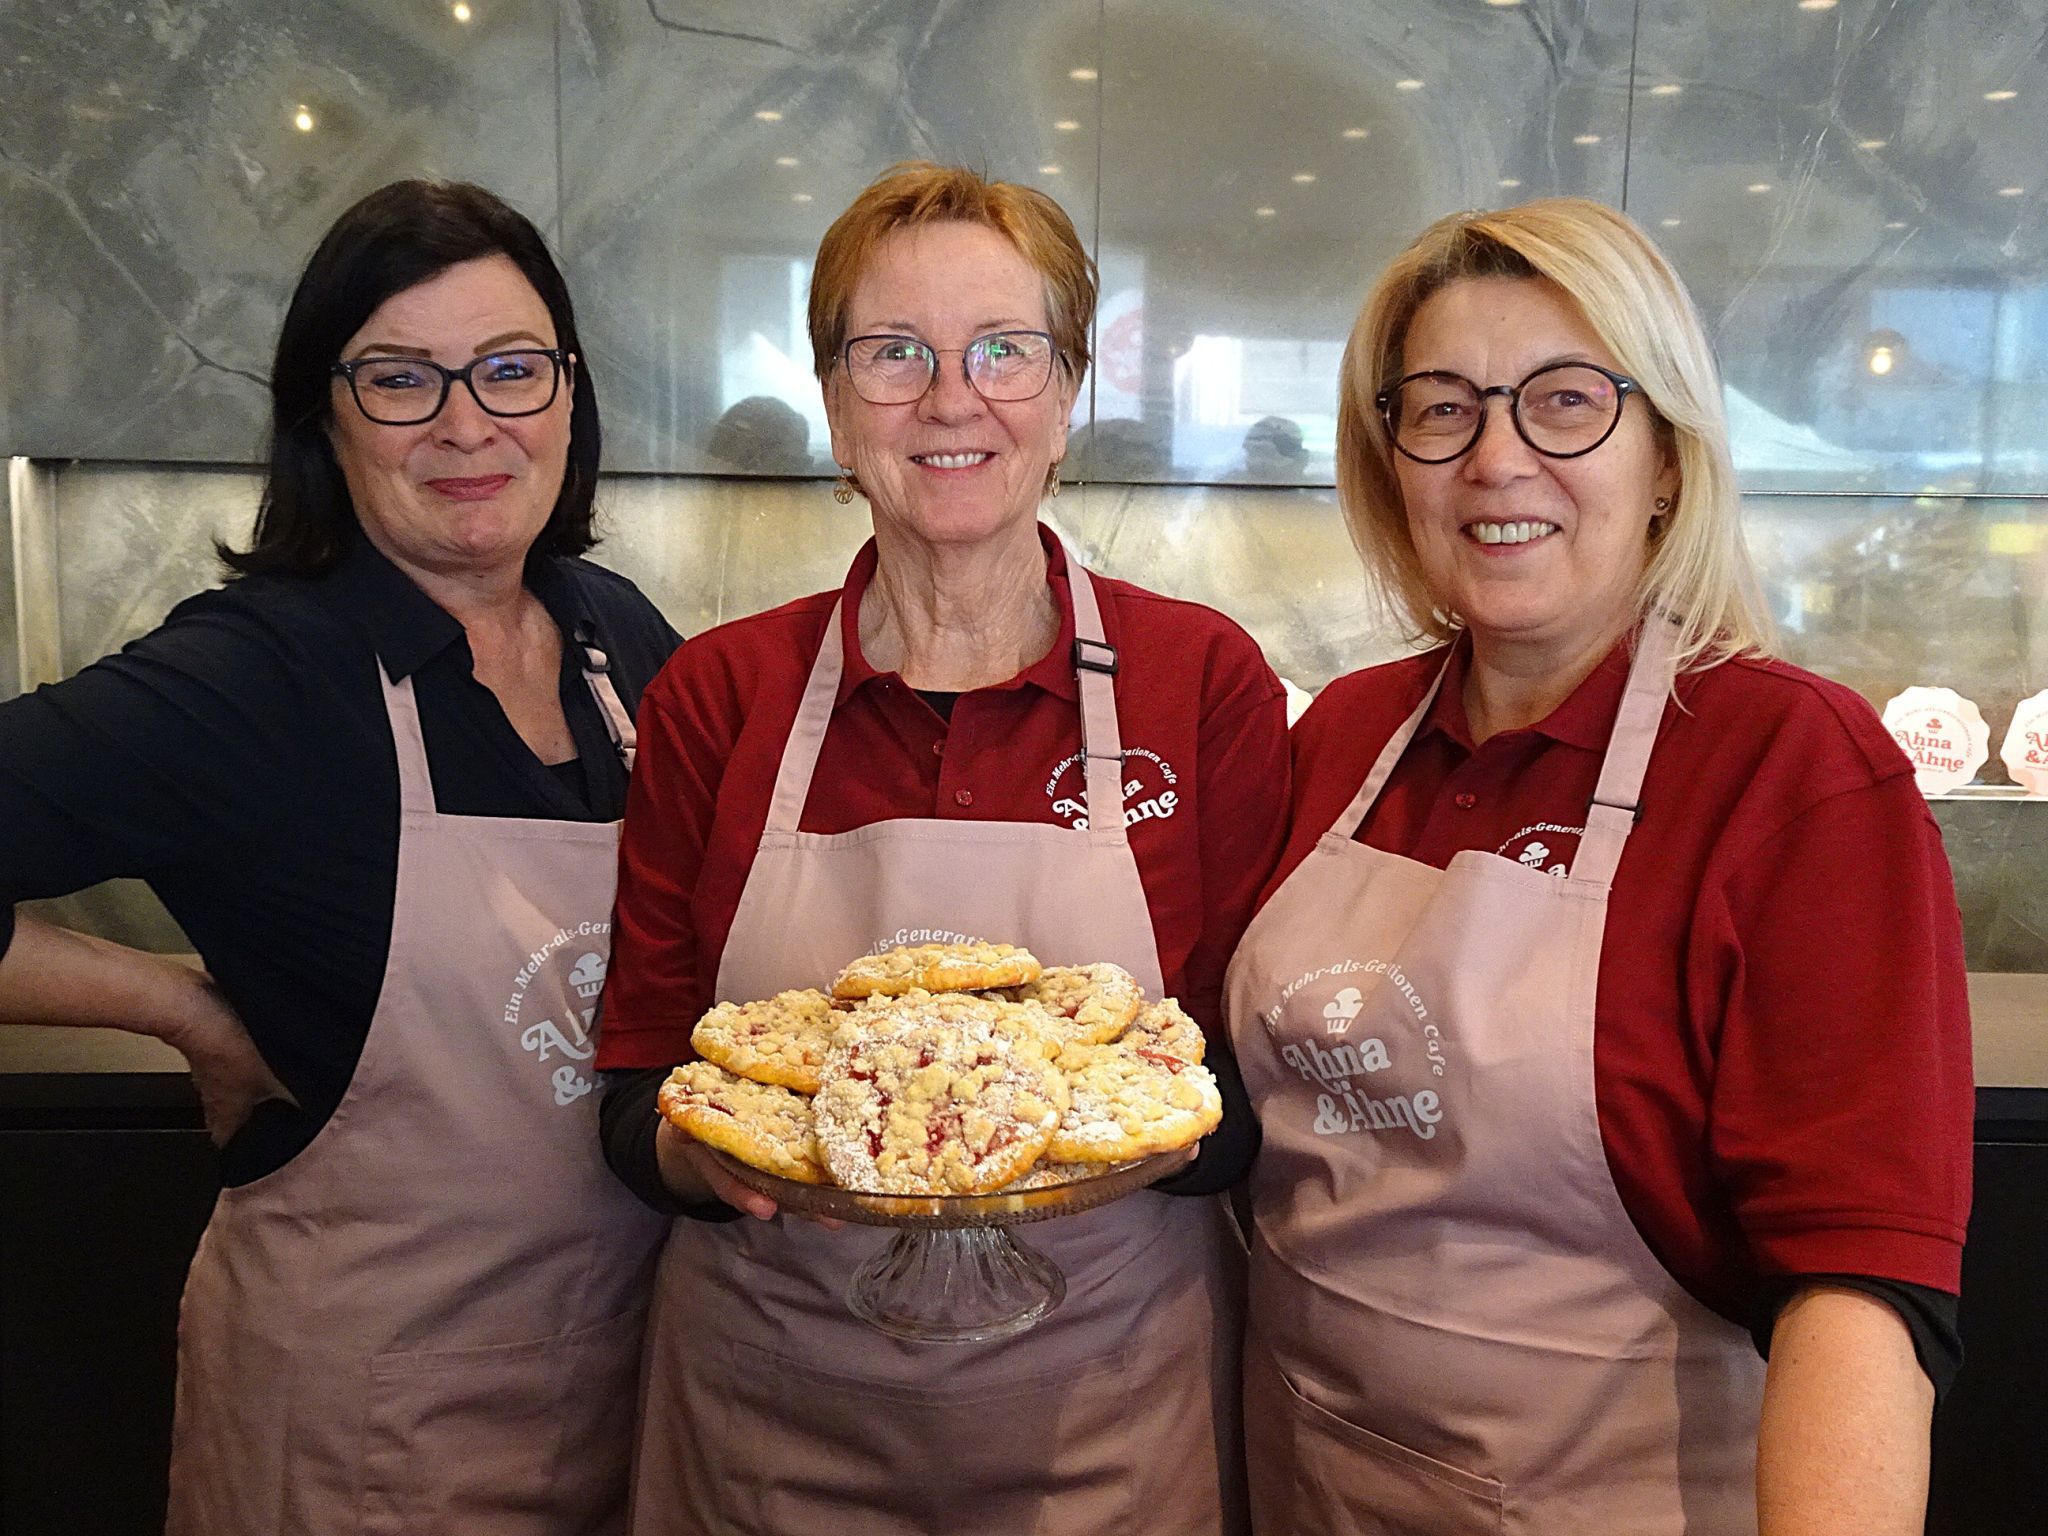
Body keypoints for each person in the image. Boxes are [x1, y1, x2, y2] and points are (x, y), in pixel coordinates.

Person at [1224, 198, 1973, 1535]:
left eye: (1565, 402)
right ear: (1391, 459)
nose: (1497, 460)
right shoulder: (1346, 735)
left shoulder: (1789, 763)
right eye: (1443, 410)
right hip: (1308, 1483)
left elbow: (1860, 1284)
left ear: (1668, 456)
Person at [596, 161, 1290, 1535]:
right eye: (894, 352)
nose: (950, 398)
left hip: (1104, 1424)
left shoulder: (1197, 680)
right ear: (835, 400)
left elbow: (1251, 1103)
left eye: (1005, 351)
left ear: (1068, 392)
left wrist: (1105, 1148)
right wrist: (720, 1155)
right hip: (774, 1425)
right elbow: (633, 1097)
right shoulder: (719, 697)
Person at [0, 179, 679, 1531]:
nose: (468, 423)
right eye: (400, 380)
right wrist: (175, 1002)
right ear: (325, 414)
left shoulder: (618, 642)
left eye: (509, 370)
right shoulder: (258, 676)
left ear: (570, 394)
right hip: (367, 1437)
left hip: (635, 1393)